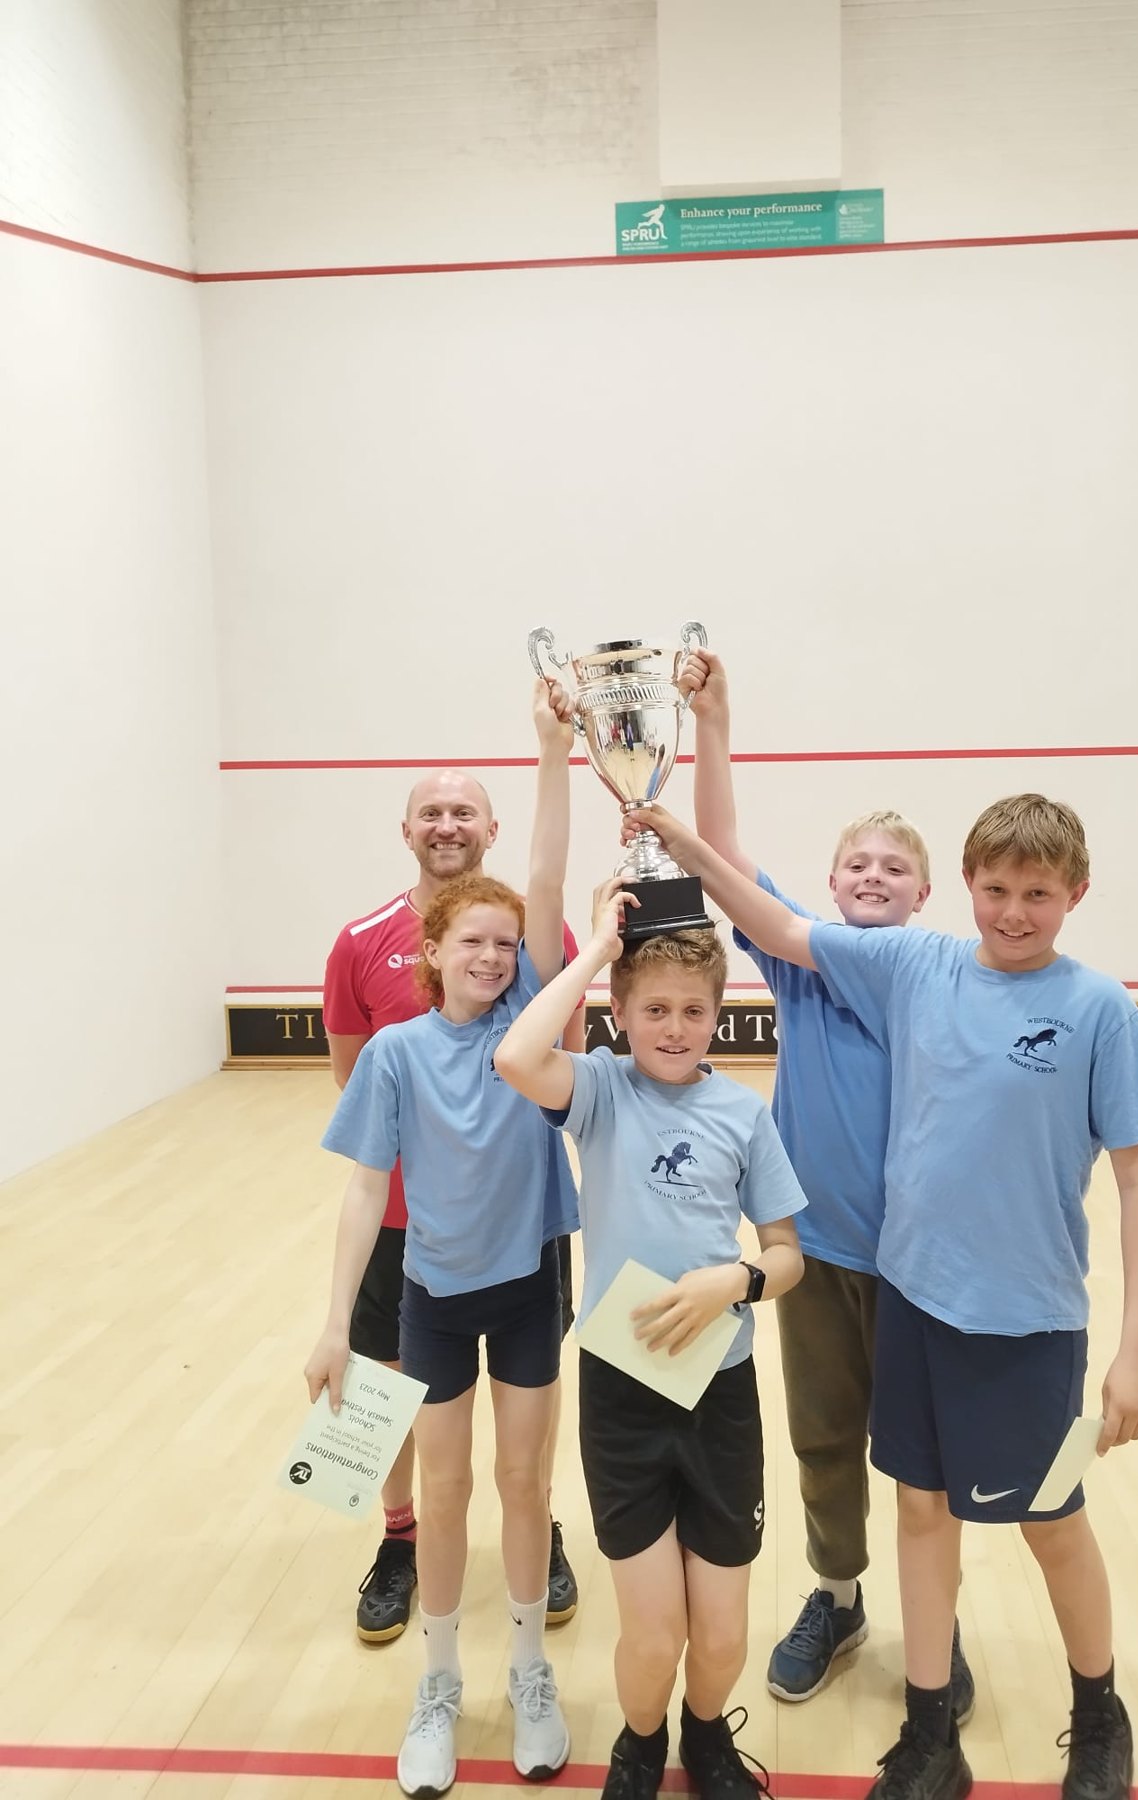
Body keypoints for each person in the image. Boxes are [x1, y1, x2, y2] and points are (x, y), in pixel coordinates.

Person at [627, 794, 1138, 1800]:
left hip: (1033, 1327)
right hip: (917, 1307)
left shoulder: (1098, 1007)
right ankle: (931, 1737)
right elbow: (776, 923)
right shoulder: (916, 966)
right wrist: (681, 843)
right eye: (997, 889)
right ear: (966, 886)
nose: (1013, 912)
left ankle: (1100, 1715)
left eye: (1038, 894)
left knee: (1053, 1520)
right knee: (922, 1515)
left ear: (1075, 894)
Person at [305, 682, 581, 1798]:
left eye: (509, 944)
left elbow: (549, 881)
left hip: (524, 1277)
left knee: (521, 1476)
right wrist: (332, 1321)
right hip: (424, 1273)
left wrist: (554, 749)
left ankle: (528, 1669)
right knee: (431, 1468)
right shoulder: (385, 1019)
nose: (495, 955)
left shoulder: (528, 1012)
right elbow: (361, 1168)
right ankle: (430, 1653)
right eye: (475, 940)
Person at [686, 651, 973, 1716]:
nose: (872, 877)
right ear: (833, 882)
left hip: (920, 1267)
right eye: (857, 864)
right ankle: (840, 1599)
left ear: (924, 894)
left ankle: (933, 1624)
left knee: (924, 1460)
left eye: (894, 868)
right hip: (812, 1260)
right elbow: (721, 857)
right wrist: (715, 721)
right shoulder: (800, 965)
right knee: (822, 1438)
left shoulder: (941, 976)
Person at [494, 880, 808, 1800]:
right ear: (621, 1015)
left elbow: (787, 1255)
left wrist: (736, 1280)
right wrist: (598, 950)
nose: (675, 1028)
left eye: (694, 1011)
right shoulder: (598, 1091)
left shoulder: (744, 1115)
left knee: (721, 1633)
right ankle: (640, 1745)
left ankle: (704, 1737)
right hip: (622, 1395)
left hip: (721, 1394)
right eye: (655, 1009)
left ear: (719, 1016)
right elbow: (517, 1054)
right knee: (655, 1632)